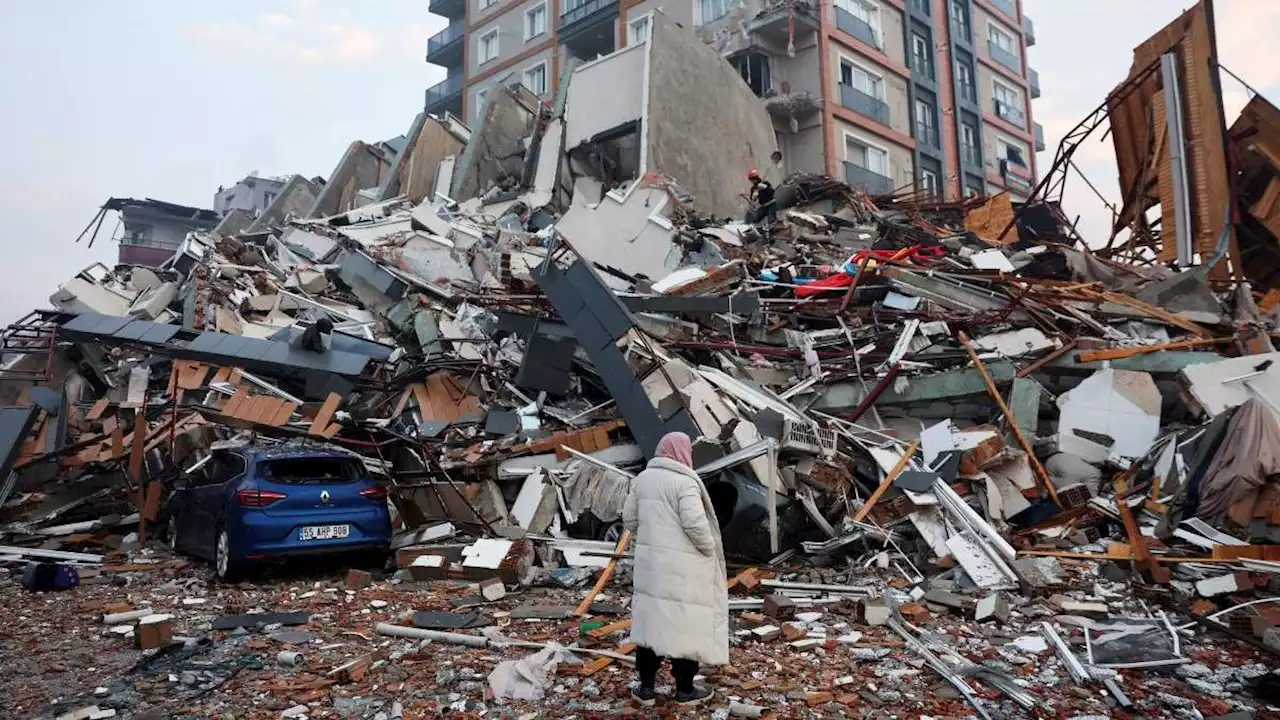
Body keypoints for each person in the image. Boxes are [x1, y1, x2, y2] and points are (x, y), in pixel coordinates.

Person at [622, 432, 728, 707]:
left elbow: (630, 519)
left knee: (651, 625)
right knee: (685, 626)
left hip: (652, 566)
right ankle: (685, 690)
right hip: (684, 568)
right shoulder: (684, 482)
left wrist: (653, 537)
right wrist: (709, 550)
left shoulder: (643, 479)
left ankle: (645, 689)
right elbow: (695, 524)